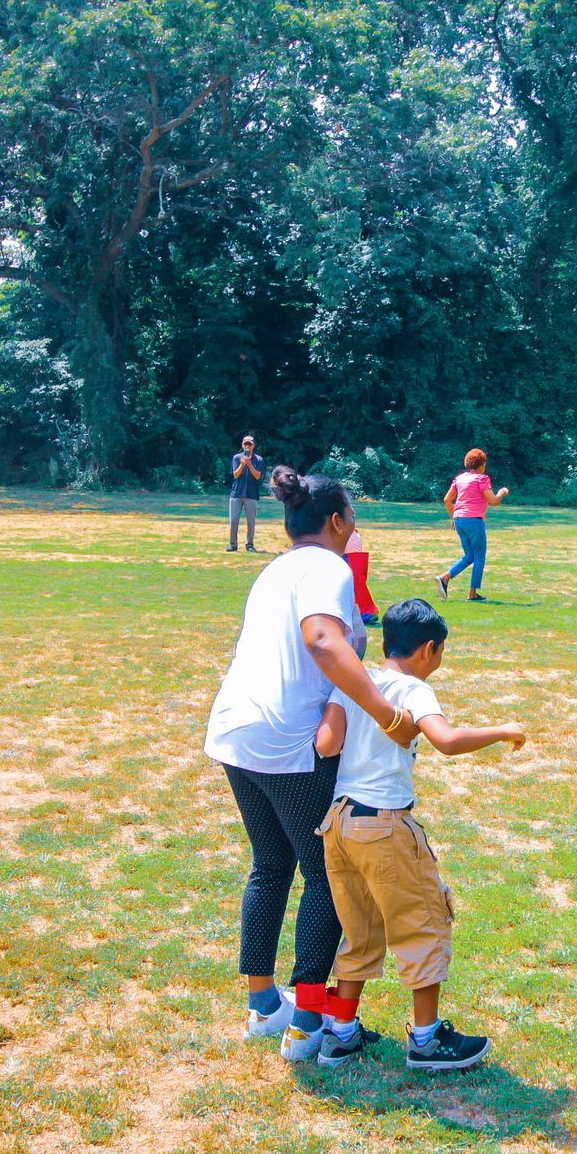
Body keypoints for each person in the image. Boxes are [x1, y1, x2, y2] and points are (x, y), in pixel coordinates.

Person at [205, 466, 419, 1063]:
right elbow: (322, 640)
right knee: (327, 876)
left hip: (236, 732)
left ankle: (264, 1006)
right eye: (353, 514)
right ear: (336, 521)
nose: (356, 524)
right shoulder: (328, 567)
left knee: (270, 865)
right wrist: (385, 713)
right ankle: (306, 1025)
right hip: (287, 743)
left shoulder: (275, 569)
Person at [312, 598, 525, 1070]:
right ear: (429, 649)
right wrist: (502, 730)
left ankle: (341, 1032)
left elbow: (326, 744)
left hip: (340, 823)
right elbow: (445, 741)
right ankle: (427, 1040)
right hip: (385, 824)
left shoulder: (355, 681)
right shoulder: (413, 689)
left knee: (359, 929)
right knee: (423, 922)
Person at [435, 449, 508, 603]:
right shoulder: (482, 479)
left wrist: (454, 516)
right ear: (481, 465)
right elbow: (494, 501)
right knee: (479, 556)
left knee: (470, 556)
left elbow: (447, 500)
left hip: (459, 520)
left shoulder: (459, 478)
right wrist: (502, 492)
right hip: (474, 520)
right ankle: (472, 594)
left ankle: (445, 578)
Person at [227, 434, 265, 552]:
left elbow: (257, 476)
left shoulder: (259, 460)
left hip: (251, 494)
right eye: (245, 443)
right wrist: (243, 464)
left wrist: (249, 465)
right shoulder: (236, 458)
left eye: (250, 444)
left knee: (251, 522)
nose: (247, 446)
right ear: (242, 445)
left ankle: (250, 544)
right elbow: (235, 474)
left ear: (253, 446)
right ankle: (233, 544)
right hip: (236, 494)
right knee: (233, 521)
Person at [344, 527, 379, 626]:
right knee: (355, 579)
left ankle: (365, 612)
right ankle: (365, 611)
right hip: (347, 537)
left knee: (355, 579)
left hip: (346, 537)